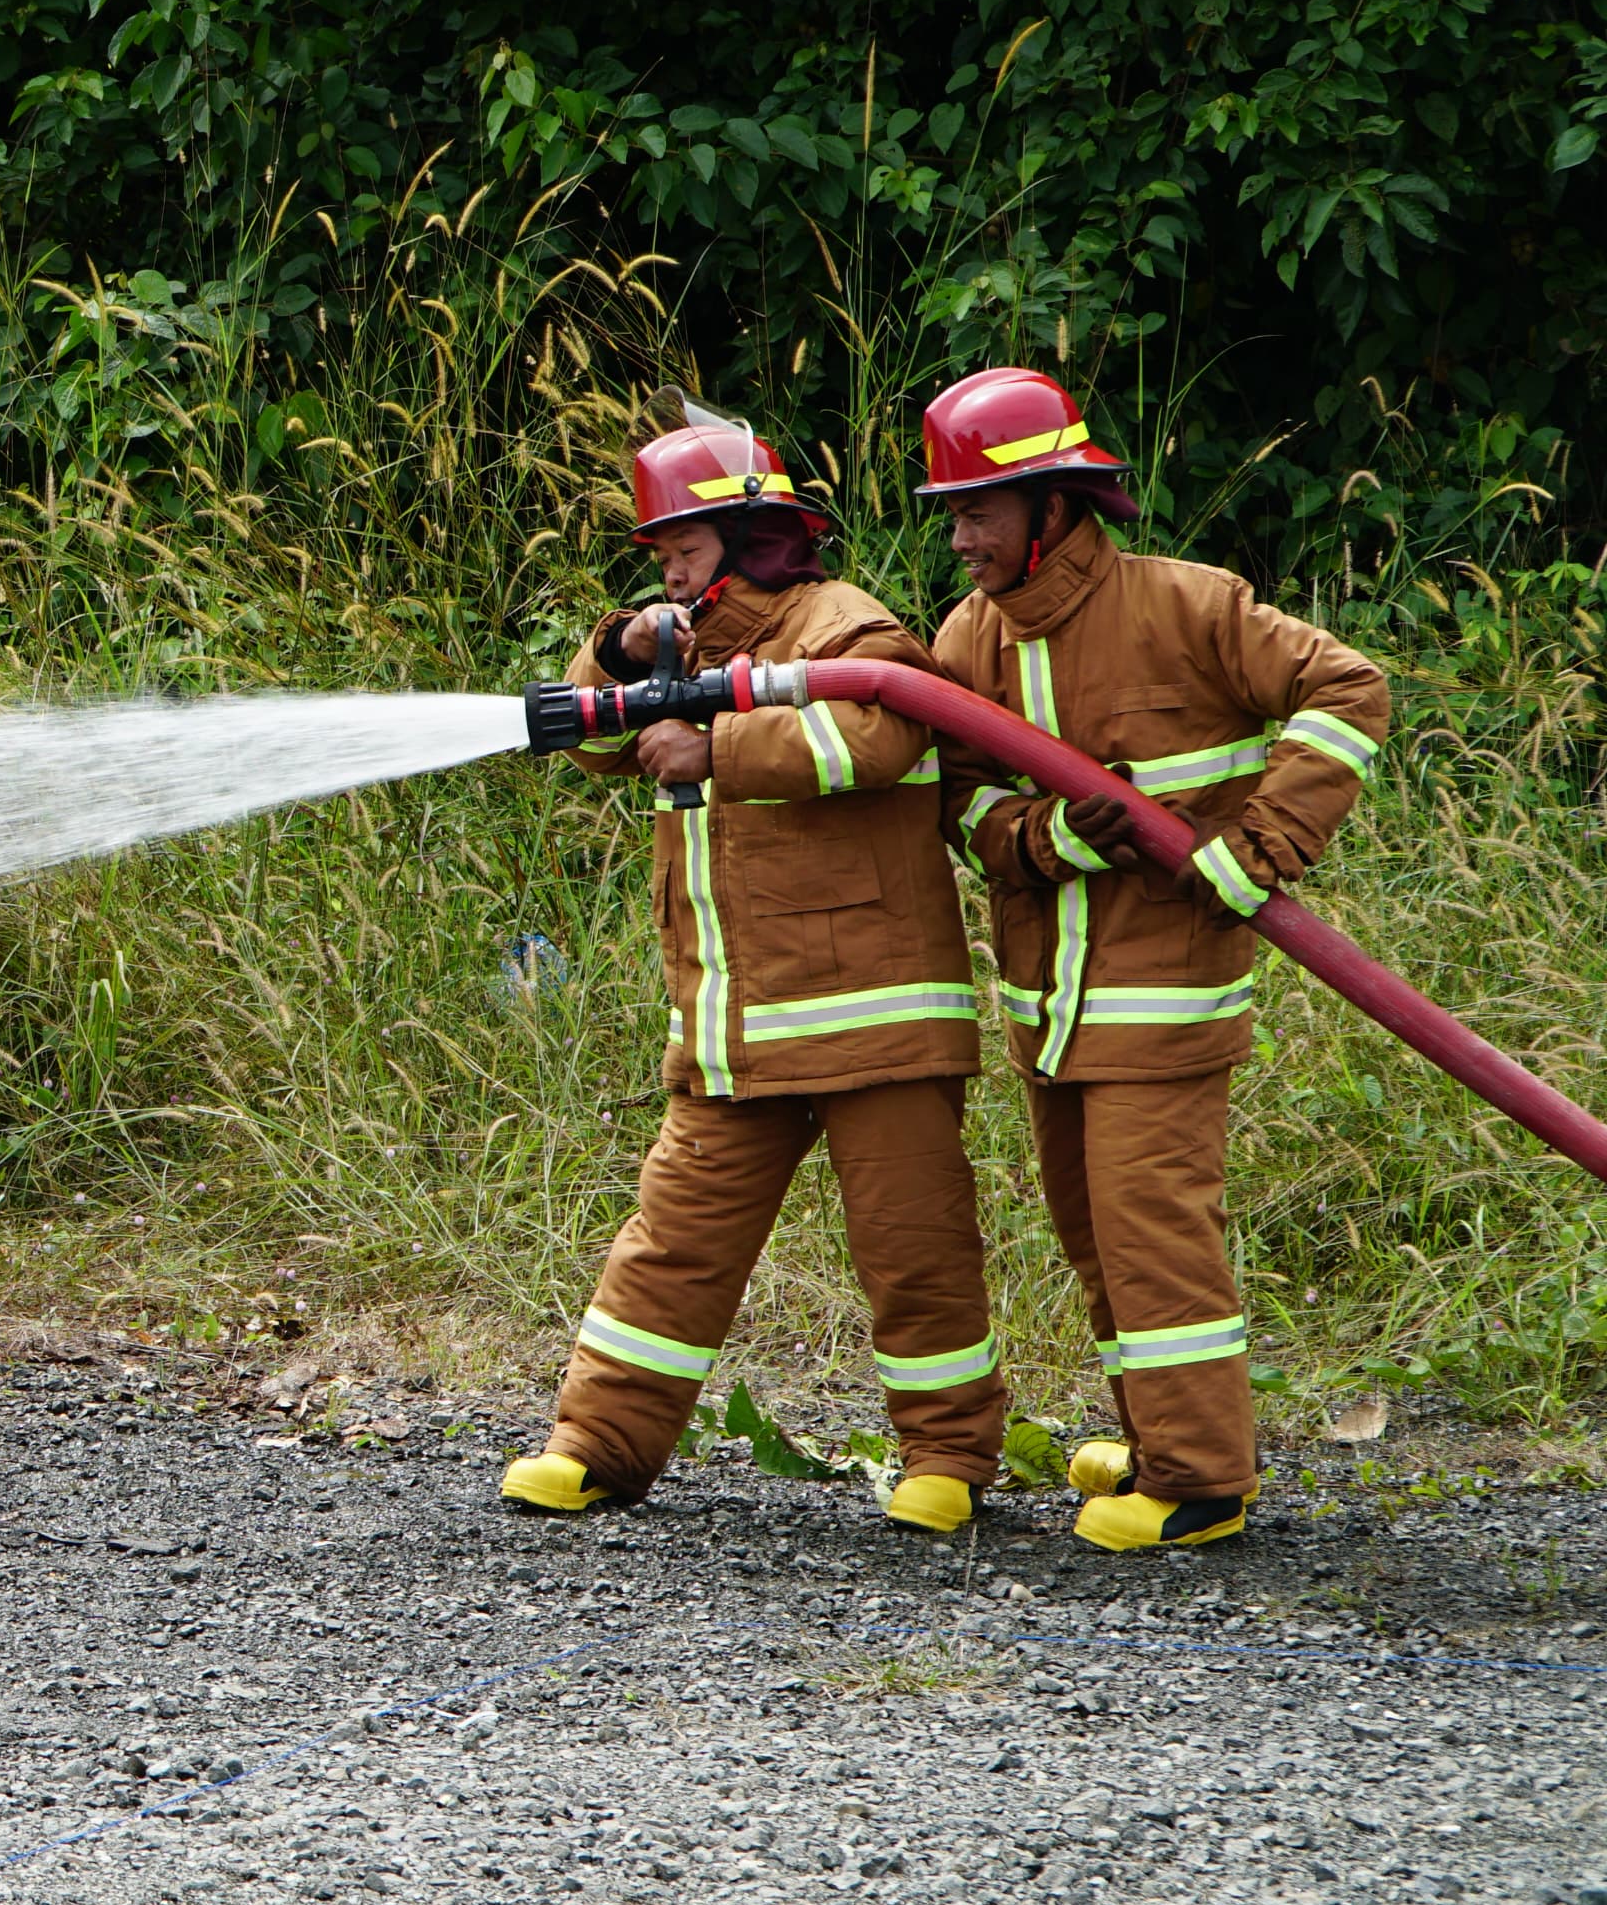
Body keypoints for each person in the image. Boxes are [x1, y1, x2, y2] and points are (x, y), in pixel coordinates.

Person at [501, 414, 1006, 1531]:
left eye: (683, 545)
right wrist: (622, 654)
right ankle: (595, 1445)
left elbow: (881, 739)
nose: (668, 569)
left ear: (745, 531)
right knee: (673, 1245)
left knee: (911, 1248)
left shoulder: (844, 624)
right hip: (737, 1023)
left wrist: (716, 746)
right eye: (660, 554)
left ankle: (947, 1459)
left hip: (875, 1016)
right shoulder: (685, 636)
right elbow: (590, 742)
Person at [919, 367, 1388, 1552]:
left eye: (978, 511)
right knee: (1094, 1243)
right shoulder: (966, 637)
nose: (960, 536)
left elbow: (1348, 690)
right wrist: (1045, 835)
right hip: (1047, 1009)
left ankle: (1199, 1483)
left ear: (1052, 507)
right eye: (953, 514)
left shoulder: (1187, 608)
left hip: (1162, 995)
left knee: (1151, 1237)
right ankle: (1151, 1435)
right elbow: (962, 808)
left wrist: (1259, 846)